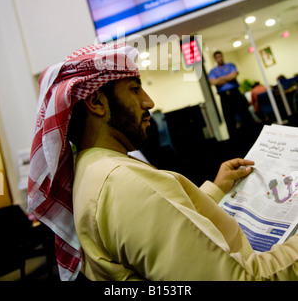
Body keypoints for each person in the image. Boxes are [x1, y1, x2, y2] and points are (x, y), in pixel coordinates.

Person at [28, 43, 298, 281]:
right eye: (134, 90)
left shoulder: (92, 167)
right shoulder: (122, 182)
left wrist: (217, 187)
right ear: (97, 102)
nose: (149, 102)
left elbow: (169, 223)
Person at [208, 51, 253, 139]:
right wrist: (227, 77)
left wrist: (220, 78)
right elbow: (213, 82)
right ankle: (235, 140)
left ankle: (252, 134)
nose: (219, 58)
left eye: (220, 56)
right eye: (217, 57)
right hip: (224, 96)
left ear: (222, 57)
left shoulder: (230, 65)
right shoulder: (213, 71)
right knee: (229, 119)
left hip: (235, 93)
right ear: (215, 59)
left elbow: (233, 76)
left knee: (245, 115)